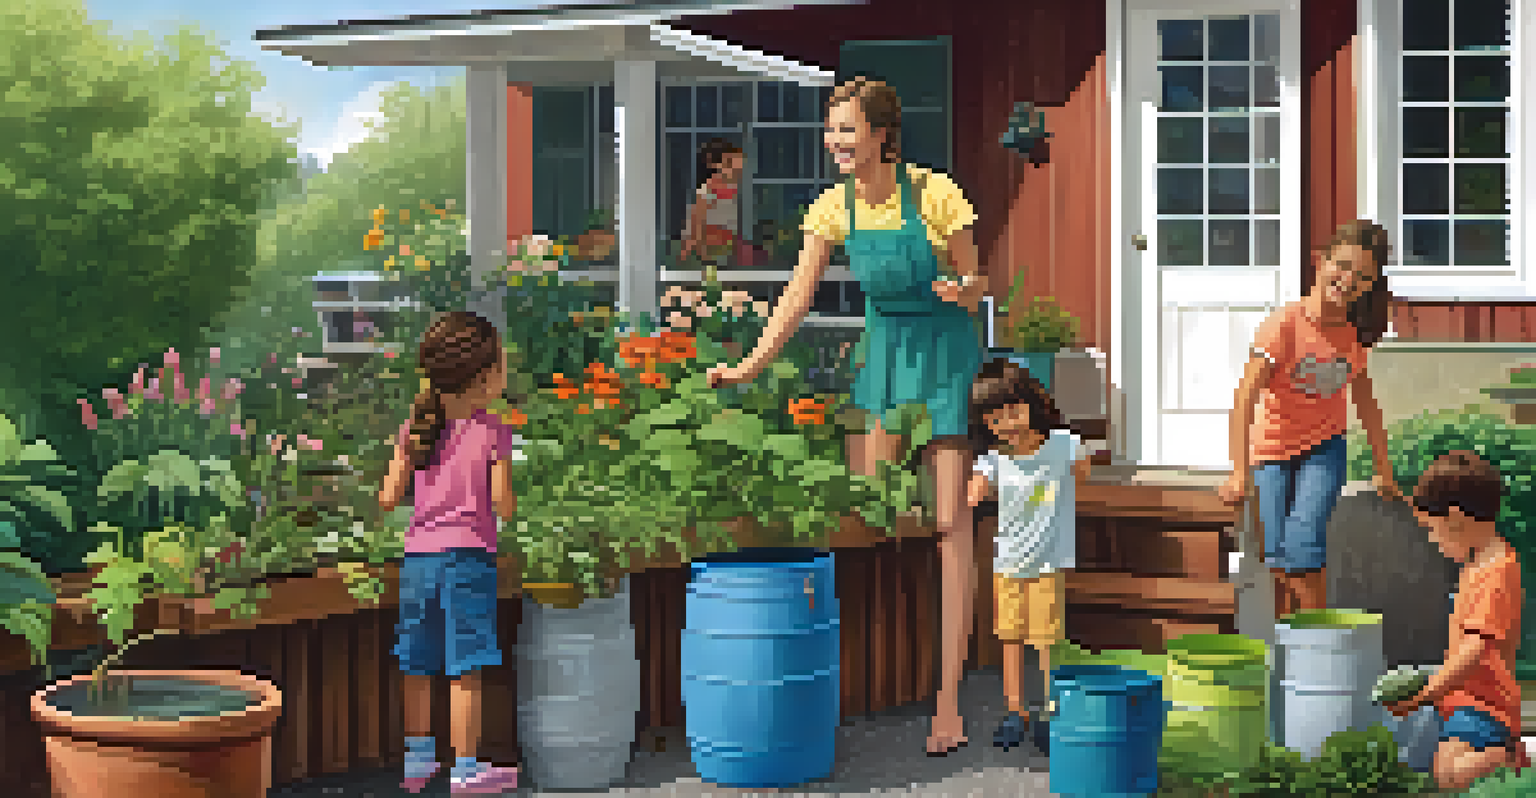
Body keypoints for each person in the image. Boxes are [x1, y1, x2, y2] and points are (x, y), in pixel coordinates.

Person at [707, 76, 989, 755]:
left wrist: (965, 288)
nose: (835, 141)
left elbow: (980, 280)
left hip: (943, 351)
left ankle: (947, 703)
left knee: (951, 524)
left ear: (881, 135)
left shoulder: (936, 194)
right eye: (830, 130)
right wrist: (748, 366)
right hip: (884, 349)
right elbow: (798, 296)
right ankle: (859, 680)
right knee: (866, 508)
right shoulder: (833, 207)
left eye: (846, 130)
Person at [1218, 219, 1402, 616]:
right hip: (1270, 451)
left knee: (1302, 550)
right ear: (1321, 262)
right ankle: (1287, 649)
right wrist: (1238, 471)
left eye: (1363, 276)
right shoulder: (1285, 325)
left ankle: (1317, 644)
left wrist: (1382, 467)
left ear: (1371, 285)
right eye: (1344, 265)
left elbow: (1366, 403)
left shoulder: (1354, 333)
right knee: (1275, 557)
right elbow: (1245, 397)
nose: (1349, 279)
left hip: (1323, 450)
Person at [379, 311, 521, 795]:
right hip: (467, 559)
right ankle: (466, 769)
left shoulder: (415, 426)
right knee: (466, 665)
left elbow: (386, 497)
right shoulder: (492, 431)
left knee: (416, 662)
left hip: (418, 559)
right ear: (483, 379)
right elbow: (502, 502)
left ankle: (418, 762)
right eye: (501, 365)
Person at [967, 359, 1091, 755]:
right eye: (995, 417)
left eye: (1013, 411)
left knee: (1046, 641)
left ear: (1031, 405)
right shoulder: (993, 458)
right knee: (1011, 638)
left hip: (1048, 563)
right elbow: (975, 490)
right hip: (1008, 564)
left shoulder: (1061, 445)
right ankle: (1015, 711)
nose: (1007, 424)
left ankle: (1050, 711)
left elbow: (1082, 468)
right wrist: (975, 488)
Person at [1387, 450, 1530, 790]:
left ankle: (1509, 756)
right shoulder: (1478, 562)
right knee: (1425, 764)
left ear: (1455, 518)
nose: (1432, 541)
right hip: (1457, 700)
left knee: (1450, 776)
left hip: (1485, 706)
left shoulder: (1496, 575)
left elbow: (1474, 653)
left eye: (1432, 531)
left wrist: (1424, 694)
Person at [680, 138, 753, 267]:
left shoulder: (732, 189)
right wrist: (691, 244)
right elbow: (697, 217)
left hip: (726, 246)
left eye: (739, 167)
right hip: (709, 247)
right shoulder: (709, 188)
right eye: (730, 164)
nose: (737, 171)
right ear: (715, 165)